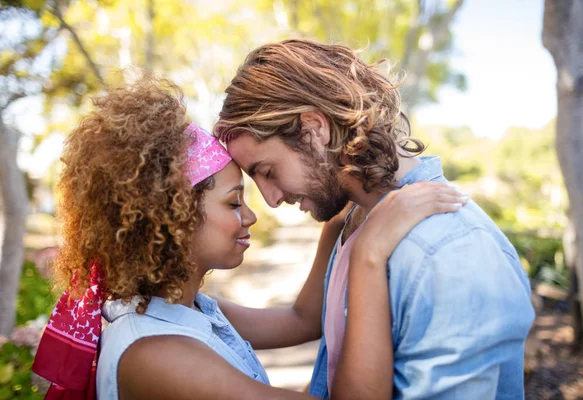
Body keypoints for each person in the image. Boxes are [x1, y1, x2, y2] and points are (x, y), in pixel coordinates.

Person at [31, 74, 468, 400]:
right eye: (234, 202)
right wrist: (370, 253)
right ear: (173, 219)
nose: (253, 215)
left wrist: (345, 214)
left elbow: (301, 319)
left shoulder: (182, 311)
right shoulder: (156, 355)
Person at [214, 38, 536, 399]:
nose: (271, 201)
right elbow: (313, 334)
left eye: (268, 171)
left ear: (314, 129)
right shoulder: (354, 220)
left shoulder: (449, 256)